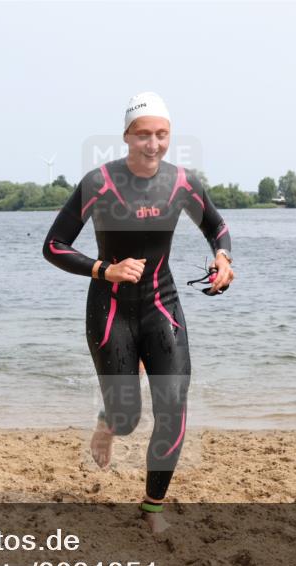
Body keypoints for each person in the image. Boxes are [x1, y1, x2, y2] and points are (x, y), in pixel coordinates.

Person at [42, 92, 234, 533]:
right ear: (127, 135)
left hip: (162, 305)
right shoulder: (99, 183)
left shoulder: (183, 183)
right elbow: (53, 245)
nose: (153, 143)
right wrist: (103, 269)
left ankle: (153, 508)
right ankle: (109, 422)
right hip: (110, 308)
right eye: (144, 134)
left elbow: (217, 227)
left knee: (173, 405)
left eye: (162, 134)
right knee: (127, 419)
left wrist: (222, 258)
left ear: (170, 136)